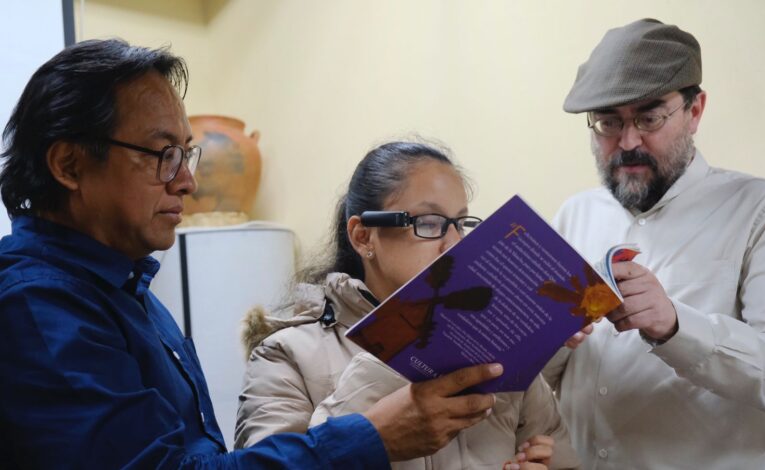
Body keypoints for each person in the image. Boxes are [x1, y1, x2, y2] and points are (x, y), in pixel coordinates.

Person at [0, 39, 504, 469]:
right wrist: (371, 437)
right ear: (69, 164)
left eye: (186, 153)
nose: (188, 181)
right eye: (161, 155)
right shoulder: (37, 310)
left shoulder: (125, 288)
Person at [236, 141, 581, 469]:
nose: (454, 244)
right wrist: (393, 348)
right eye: (428, 223)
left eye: (461, 224)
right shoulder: (285, 356)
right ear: (363, 236)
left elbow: (564, 459)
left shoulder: (498, 344)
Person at [541, 18, 765, 469]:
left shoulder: (758, 211)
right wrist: (542, 341)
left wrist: (676, 327)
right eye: (608, 122)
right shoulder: (573, 215)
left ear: (695, 110)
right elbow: (552, 380)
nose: (628, 142)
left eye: (649, 117)